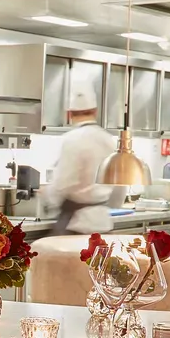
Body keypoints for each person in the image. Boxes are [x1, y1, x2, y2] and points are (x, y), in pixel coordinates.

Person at [44, 84, 121, 235]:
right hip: (103, 222)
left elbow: (62, 184)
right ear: (95, 111)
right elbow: (120, 185)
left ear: (69, 114)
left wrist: (48, 197)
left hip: (77, 225)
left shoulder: (71, 140)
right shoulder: (108, 140)